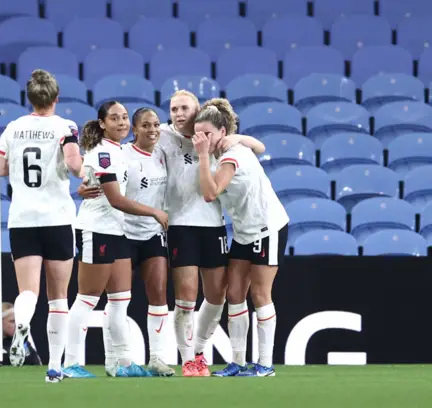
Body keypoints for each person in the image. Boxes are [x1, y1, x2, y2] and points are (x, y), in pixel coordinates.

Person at [158, 91, 265, 376]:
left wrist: (238, 138)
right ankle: (187, 360)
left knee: (218, 295)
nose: (178, 113)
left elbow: (259, 147)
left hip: (214, 225)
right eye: (173, 109)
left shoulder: (216, 139)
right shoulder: (164, 136)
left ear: (197, 111)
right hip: (181, 224)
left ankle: (200, 351)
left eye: (184, 108)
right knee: (186, 297)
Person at [62, 101, 168, 378]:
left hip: (117, 232)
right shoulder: (101, 153)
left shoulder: (118, 151)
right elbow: (116, 199)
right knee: (86, 299)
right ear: (102, 123)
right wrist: (155, 212)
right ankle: (71, 362)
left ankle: (122, 363)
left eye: (123, 118)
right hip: (95, 230)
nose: (121, 123)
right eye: (114, 118)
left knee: (120, 300)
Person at [0, 69, 83, 383]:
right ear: (56, 99)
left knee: (27, 291)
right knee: (58, 298)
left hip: (22, 219)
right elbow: (73, 165)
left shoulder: (14, 128)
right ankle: (54, 368)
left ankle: (22, 323)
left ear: (29, 99)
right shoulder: (65, 126)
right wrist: (89, 171)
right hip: (56, 218)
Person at [191, 98, 289, 377]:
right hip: (244, 231)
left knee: (260, 294)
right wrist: (232, 138)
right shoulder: (226, 147)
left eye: (208, 133)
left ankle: (265, 364)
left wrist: (202, 155)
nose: (203, 139)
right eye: (199, 134)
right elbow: (260, 146)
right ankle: (237, 361)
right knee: (234, 293)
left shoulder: (232, 156)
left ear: (222, 132)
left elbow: (210, 193)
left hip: (267, 228)